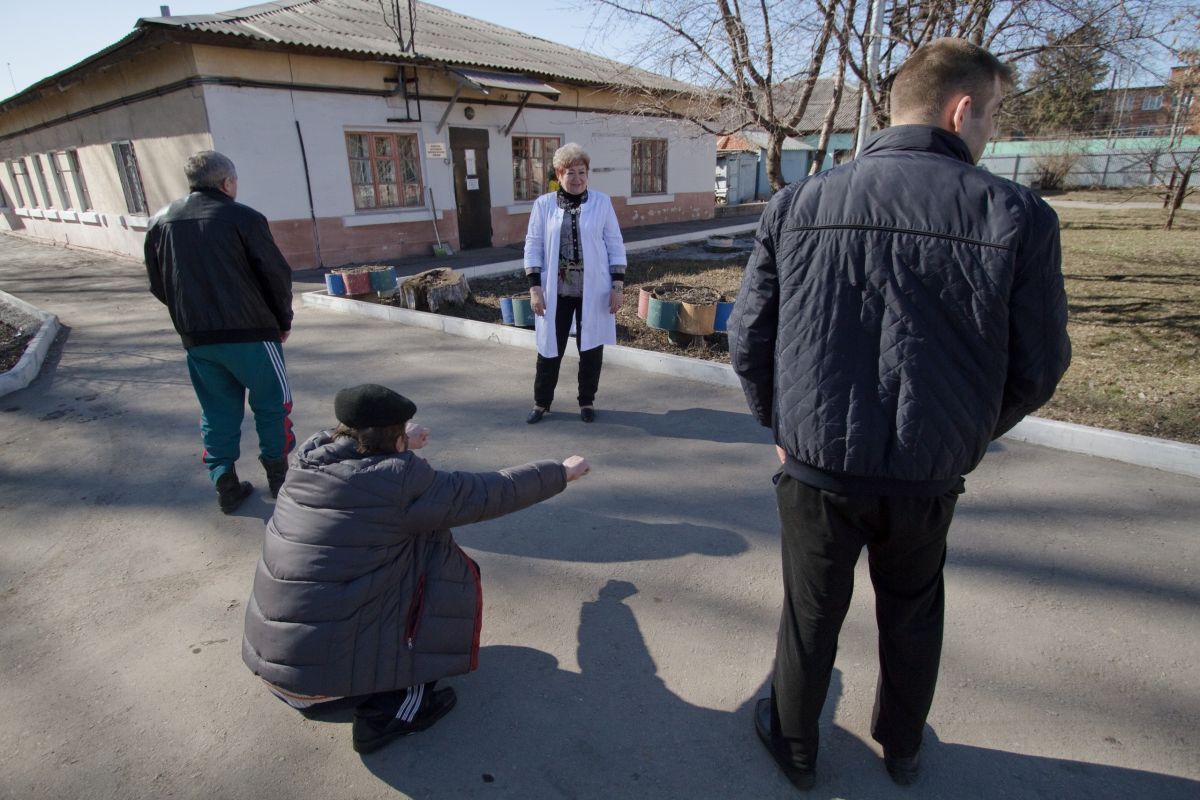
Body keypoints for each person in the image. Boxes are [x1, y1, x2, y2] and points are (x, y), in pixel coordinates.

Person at [728, 38, 1070, 790]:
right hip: (926, 473)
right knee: (913, 610)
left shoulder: (799, 202)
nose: (991, 133)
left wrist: (782, 429)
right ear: (961, 108)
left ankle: (795, 744)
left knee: (810, 612)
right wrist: (963, 435)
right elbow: (1038, 368)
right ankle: (903, 745)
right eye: (994, 116)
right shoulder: (1018, 214)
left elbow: (748, 336)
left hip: (817, 465)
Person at [241, 383, 591, 754]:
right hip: (323, 688)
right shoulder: (399, 483)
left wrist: (399, 437)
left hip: (278, 671)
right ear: (393, 442)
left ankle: (364, 685)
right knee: (429, 580)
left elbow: (357, 454)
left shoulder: (308, 464)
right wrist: (559, 473)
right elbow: (489, 491)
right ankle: (389, 716)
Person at [145, 150, 295, 514]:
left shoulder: (161, 221)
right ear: (228, 182)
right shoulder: (244, 218)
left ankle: (225, 483)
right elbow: (275, 274)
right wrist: (282, 321)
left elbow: (158, 282)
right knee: (272, 406)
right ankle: (280, 481)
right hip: (252, 334)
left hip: (199, 339)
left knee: (216, 410)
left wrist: (191, 316)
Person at [522, 143, 627, 424]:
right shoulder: (543, 205)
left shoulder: (602, 203)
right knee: (549, 348)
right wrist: (535, 289)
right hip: (556, 291)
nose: (577, 178)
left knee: (590, 348)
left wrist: (617, 286)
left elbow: (615, 244)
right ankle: (541, 402)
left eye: (582, 172)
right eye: (571, 172)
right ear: (559, 173)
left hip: (593, 290)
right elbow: (533, 246)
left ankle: (586, 401)